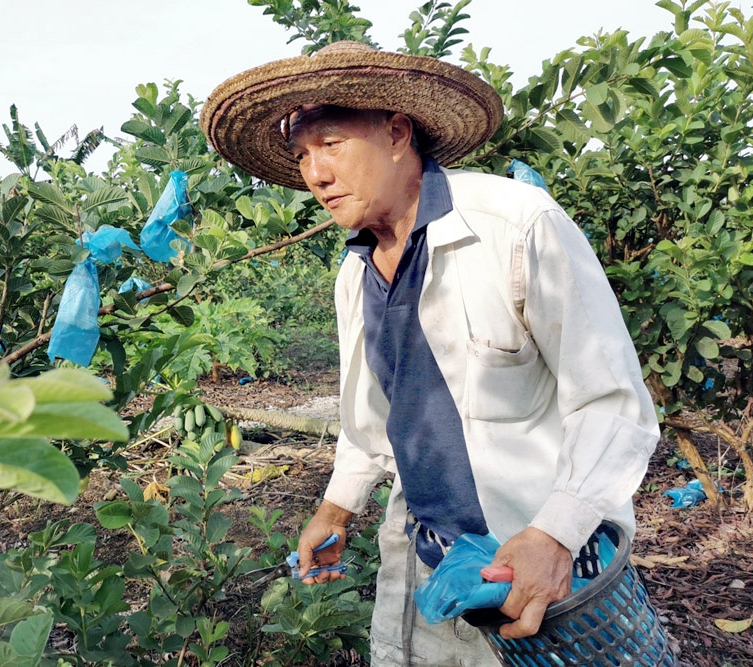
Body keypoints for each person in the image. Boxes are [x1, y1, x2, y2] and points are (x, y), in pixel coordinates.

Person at [201, 41, 660, 666]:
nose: (315, 175)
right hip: (428, 566)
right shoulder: (354, 274)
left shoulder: (515, 227)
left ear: (397, 132)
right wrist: (337, 506)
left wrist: (554, 535)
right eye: (302, 154)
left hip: (539, 565)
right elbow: (371, 416)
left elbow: (612, 400)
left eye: (331, 143)